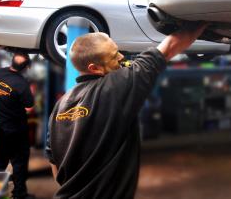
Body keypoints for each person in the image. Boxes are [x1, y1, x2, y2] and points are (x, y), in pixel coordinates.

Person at [46, 24, 206, 198]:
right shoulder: (117, 87)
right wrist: (204, 20)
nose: (121, 57)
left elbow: (53, 161)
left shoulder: (60, 105)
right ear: (95, 68)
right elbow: (169, 46)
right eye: (114, 56)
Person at [0, 52, 35, 199]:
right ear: (26, 67)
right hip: (15, 129)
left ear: (12, 61)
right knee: (19, 162)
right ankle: (19, 194)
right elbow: (29, 107)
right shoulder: (22, 84)